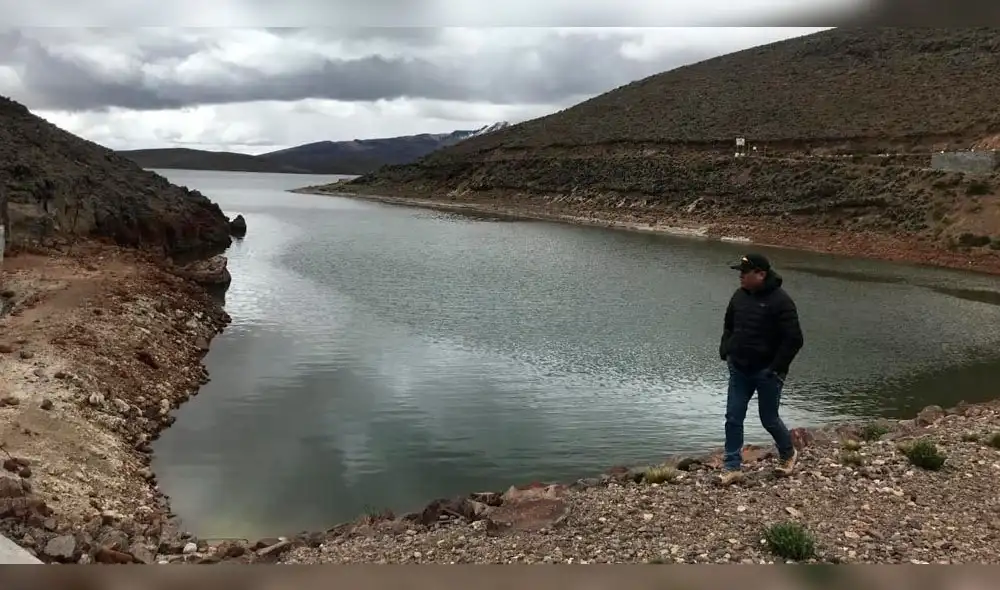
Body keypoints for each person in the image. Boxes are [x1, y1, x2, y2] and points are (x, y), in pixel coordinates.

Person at [717, 253, 804, 485]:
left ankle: (788, 453)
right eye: (740, 272)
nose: (741, 277)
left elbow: (794, 340)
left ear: (761, 274)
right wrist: (726, 350)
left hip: (768, 372)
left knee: (769, 418)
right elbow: (729, 325)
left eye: (745, 273)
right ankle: (732, 467)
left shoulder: (781, 301)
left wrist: (775, 368)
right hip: (739, 369)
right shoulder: (739, 296)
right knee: (733, 417)